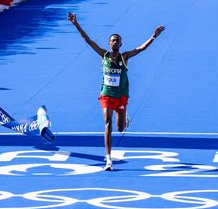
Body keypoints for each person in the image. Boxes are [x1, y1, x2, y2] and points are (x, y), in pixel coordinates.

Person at [66, 11, 165, 171]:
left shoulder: (125, 57)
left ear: (121, 44)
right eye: (112, 40)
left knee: (120, 128)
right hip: (106, 95)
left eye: (117, 41)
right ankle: (108, 159)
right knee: (107, 125)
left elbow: (142, 48)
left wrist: (154, 36)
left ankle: (125, 119)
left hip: (121, 96)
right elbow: (88, 40)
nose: (114, 42)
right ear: (109, 42)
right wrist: (75, 24)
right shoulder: (103, 54)